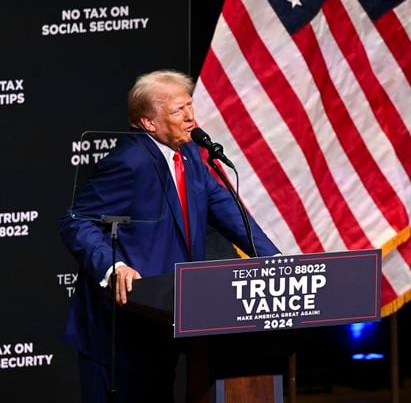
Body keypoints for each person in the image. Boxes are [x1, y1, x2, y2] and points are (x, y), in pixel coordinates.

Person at [60, 69, 281, 402]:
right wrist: (113, 267)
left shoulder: (190, 153)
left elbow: (223, 206)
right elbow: (76, 221)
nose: (191, 116)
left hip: (164, 320)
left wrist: (273, 259)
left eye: (190, 105)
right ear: (149, 122)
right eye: (179, 110)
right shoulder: (130, 161)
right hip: (119, 332)